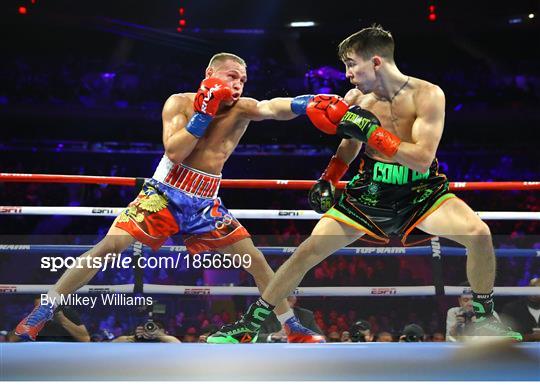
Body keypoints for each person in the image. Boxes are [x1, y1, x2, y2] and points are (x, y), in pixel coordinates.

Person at [208, 26, 522, 343]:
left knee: (478, 234)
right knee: (307, 252)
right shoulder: (357, 99)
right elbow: (349, 144)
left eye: (351, 64)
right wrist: (330, 177)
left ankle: (484, 319)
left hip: (421, 192)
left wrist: (373, 134)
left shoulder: (428, 95)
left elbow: (422, 158)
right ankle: (251, 324)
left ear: (375, 62)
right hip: (369, 193)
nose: (347, 74)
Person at [15, 52, 334, 343]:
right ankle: (41, 312)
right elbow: (175, 151)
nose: (237, 84)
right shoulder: (179, 103)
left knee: (256, 260)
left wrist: (307, 103)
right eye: (231, 76)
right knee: (109, 247)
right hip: (165, 193)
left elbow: (272, 107)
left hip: (206, 202)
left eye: (242, 79)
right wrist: (204, 113)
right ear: (210, 73)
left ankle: (290, 326)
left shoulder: (242, 109)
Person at [257, 295, 323, 343]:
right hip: (274, 354)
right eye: (284, 297)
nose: (286, 300)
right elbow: (254, 337)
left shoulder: (306, 315)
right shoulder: (264, 315)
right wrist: (272, 336)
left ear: (294, 299)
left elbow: (321, 338)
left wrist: (301, 337)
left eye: (289, 298)